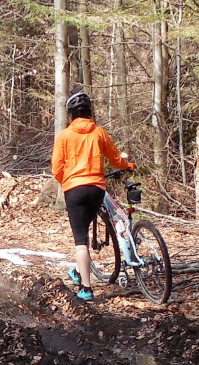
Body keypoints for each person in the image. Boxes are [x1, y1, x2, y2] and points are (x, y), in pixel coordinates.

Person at [50, 92, 136, 300]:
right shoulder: (99, 133)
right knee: (86, 227)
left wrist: (67, 181)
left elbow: (56, 168)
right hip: (97, 188)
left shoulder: (65, 135)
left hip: (75, 189)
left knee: (81, 239)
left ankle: (86, 289)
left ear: (71, 115)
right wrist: (128, 165)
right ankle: (79, 271)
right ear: (89, 112)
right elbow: (116, 159)